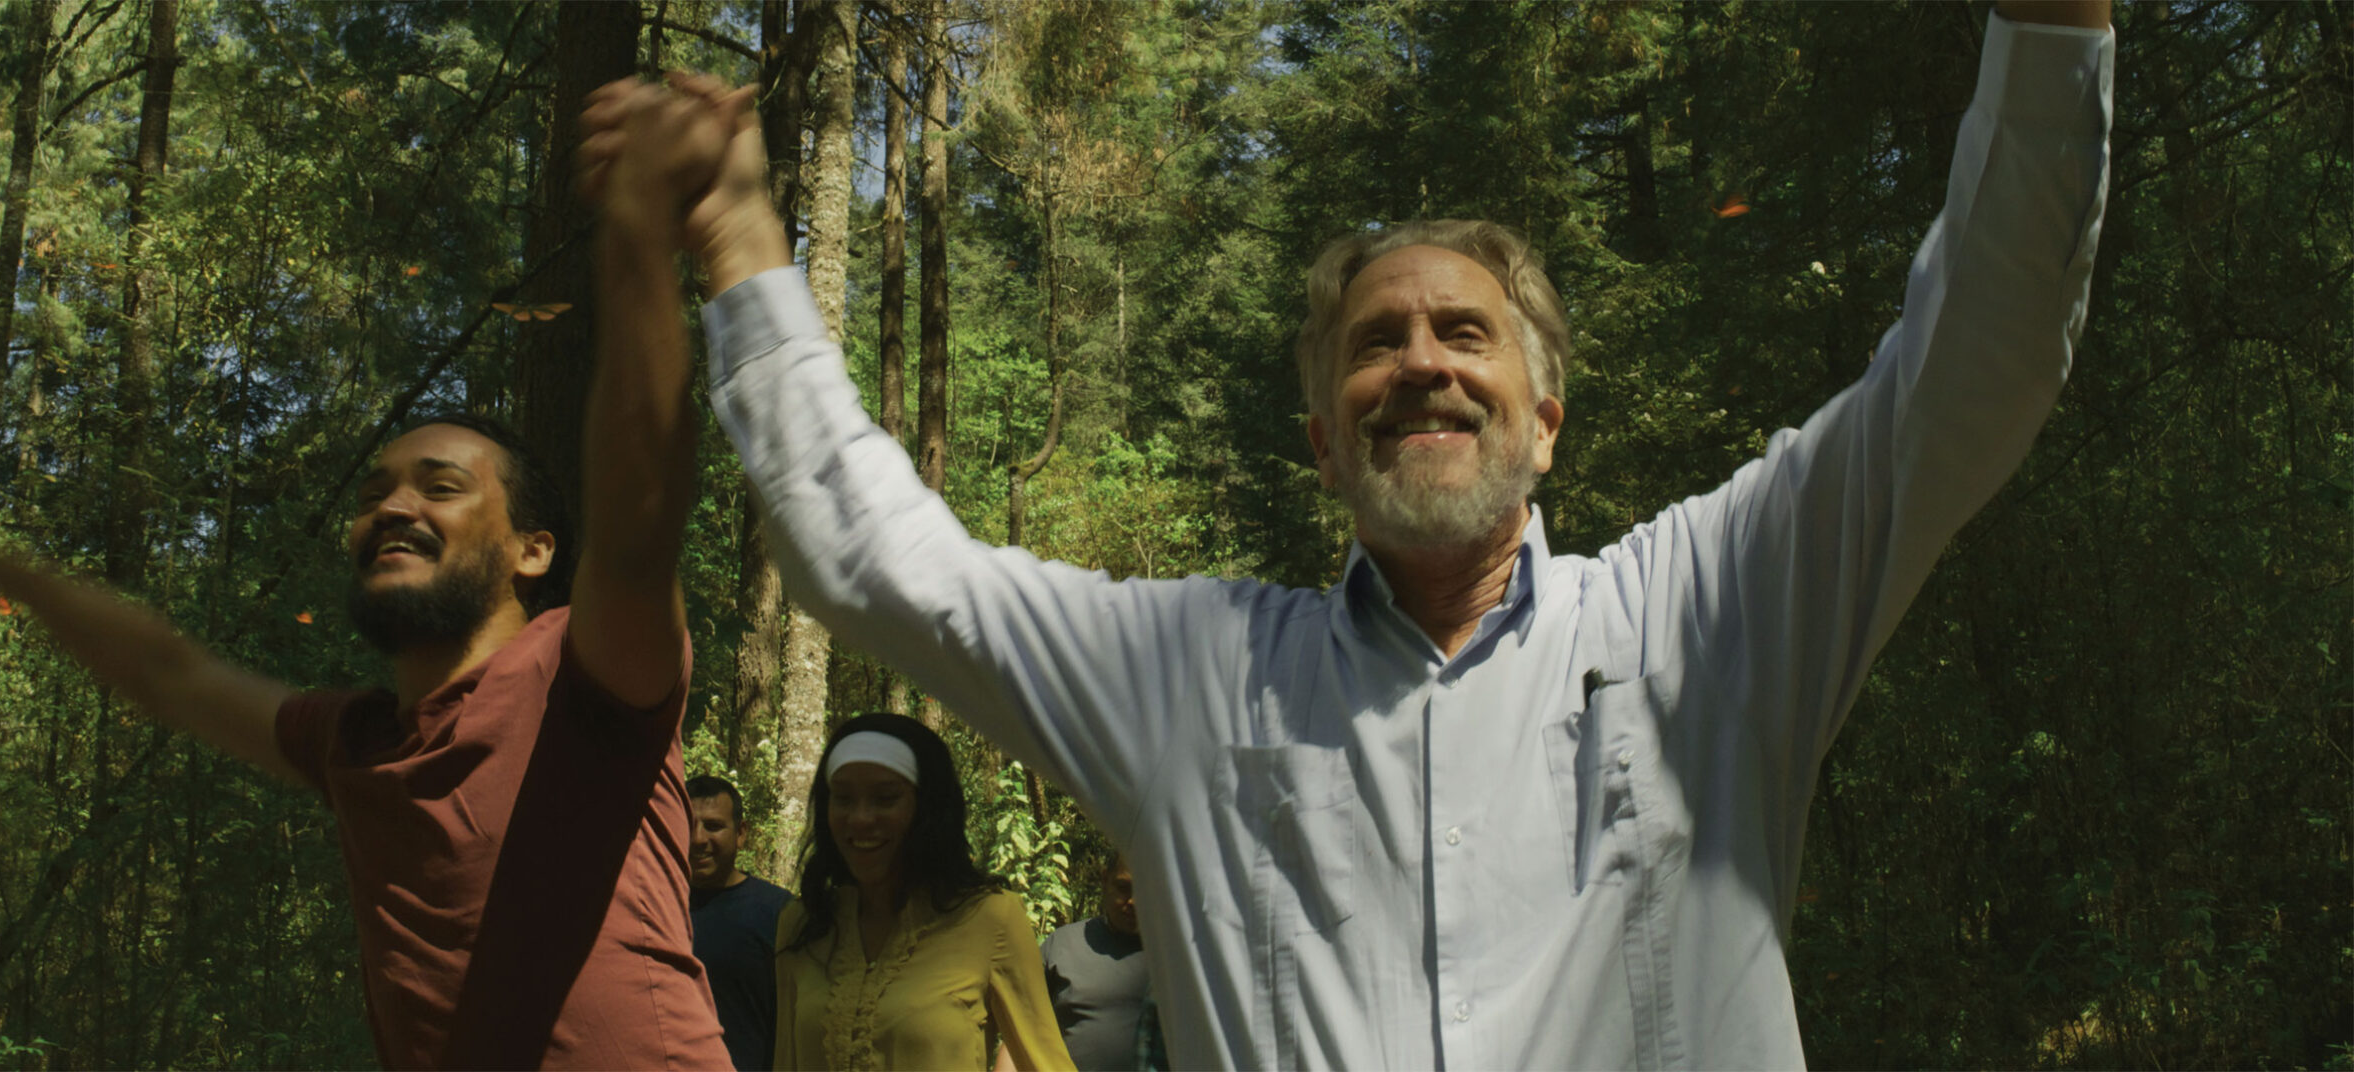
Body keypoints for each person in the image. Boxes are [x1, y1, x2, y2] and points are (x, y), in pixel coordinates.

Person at [598, 1, 2114, 1064]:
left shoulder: (1705, 618)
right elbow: (873, 557)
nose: (1424, 360)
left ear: (1546, 419)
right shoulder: (1192, 674)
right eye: (1374, 346)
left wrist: (2051, 27)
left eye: (1467, 331)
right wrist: (737, 237)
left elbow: (1978, 357)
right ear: (1326, 442)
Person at [0, 78, 747, 1070]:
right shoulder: (357, 744)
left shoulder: (586, 674)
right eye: (379, 490)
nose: (392, 507)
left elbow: (642, 507)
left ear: (533, 549)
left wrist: (638, 230)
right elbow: (169, 674)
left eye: (439, 487)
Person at [769, 714, 1073, 1071]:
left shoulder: (990, 918)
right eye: (844, 798)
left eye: (885, 799)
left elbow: (1046, 1063)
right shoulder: (804, 924)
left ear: (925, 809)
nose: (861, 818)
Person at [689, 774, 793, 1071]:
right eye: (687, 824)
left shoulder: (779, 912)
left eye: (713, 826)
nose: (698, 839)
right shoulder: (656, 908)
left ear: (741, 833)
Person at [1040, 852, 1154, 1071]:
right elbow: (1025, 1030)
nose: (1133, 901)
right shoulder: (1062, 945)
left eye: (1145, 889)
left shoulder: (1178, 957)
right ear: (1104, 880)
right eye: (1123, 887)